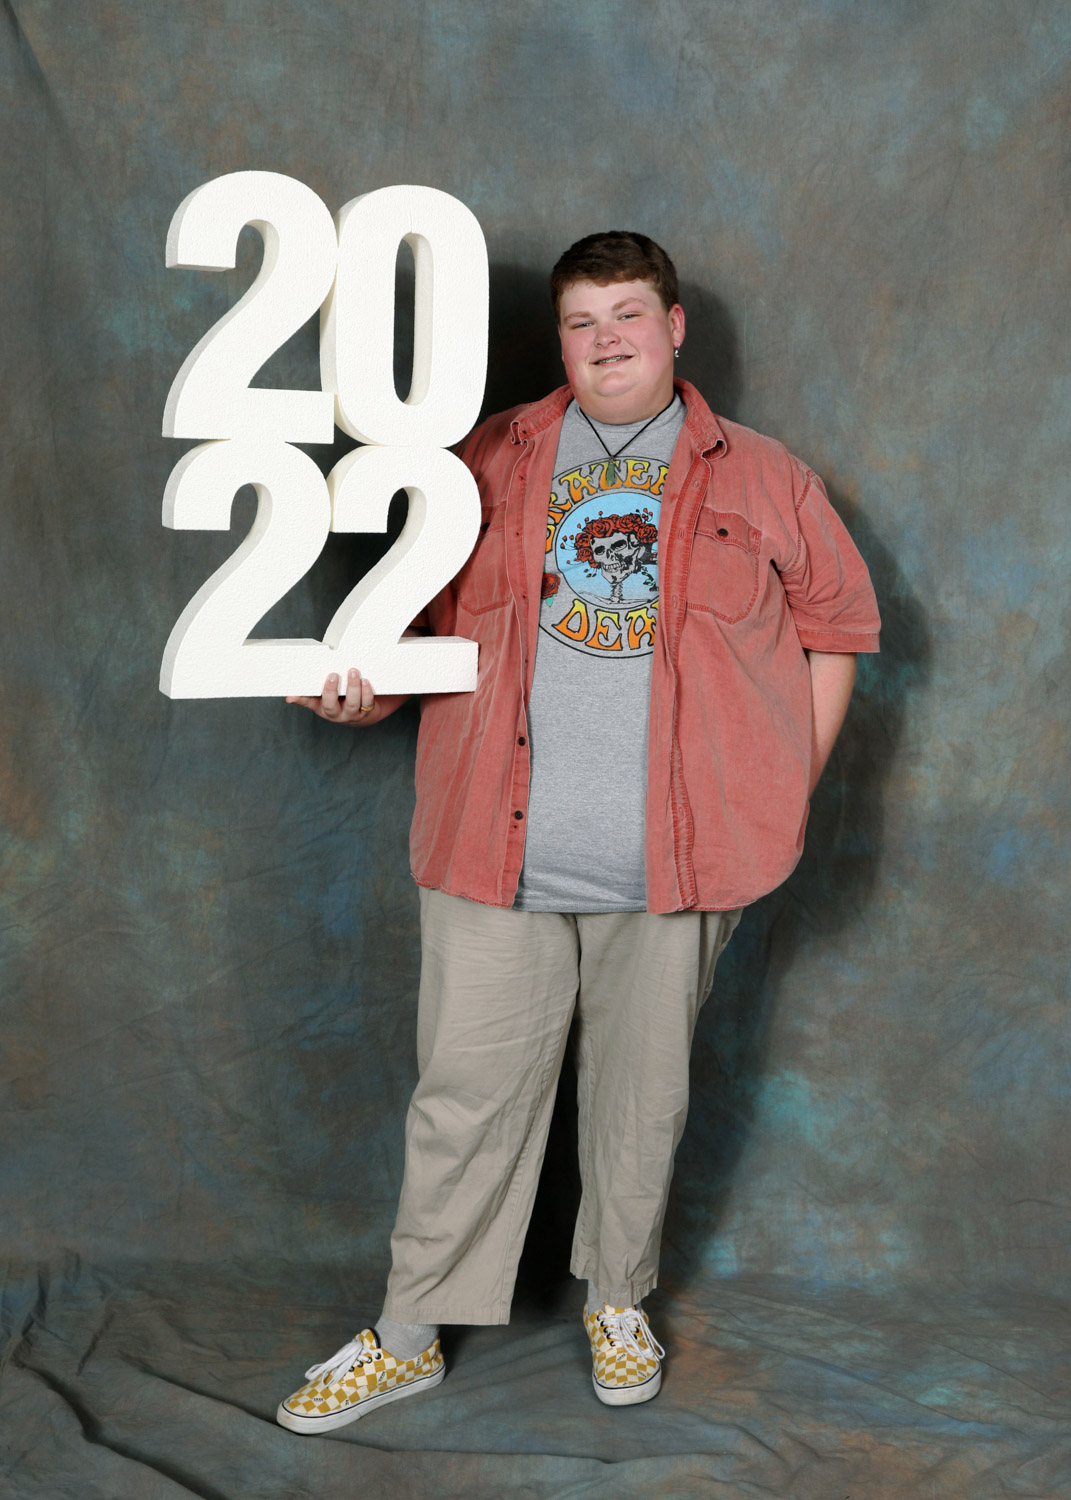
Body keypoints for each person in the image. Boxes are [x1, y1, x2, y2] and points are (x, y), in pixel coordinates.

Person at [275, 232, 880, 1433]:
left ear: (674, 328)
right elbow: (415, 625)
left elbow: (840, 633)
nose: (607, 341)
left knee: (641, 1104)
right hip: (491, 851)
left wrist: (780, 794)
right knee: (462, 1102)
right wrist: (361, 694)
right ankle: (408, 1336)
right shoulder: (481, 460)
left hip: (678, 860)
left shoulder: (766, 478)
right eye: (581, 322)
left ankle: (618, 1303)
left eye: (628, 315)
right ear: (560, 340)